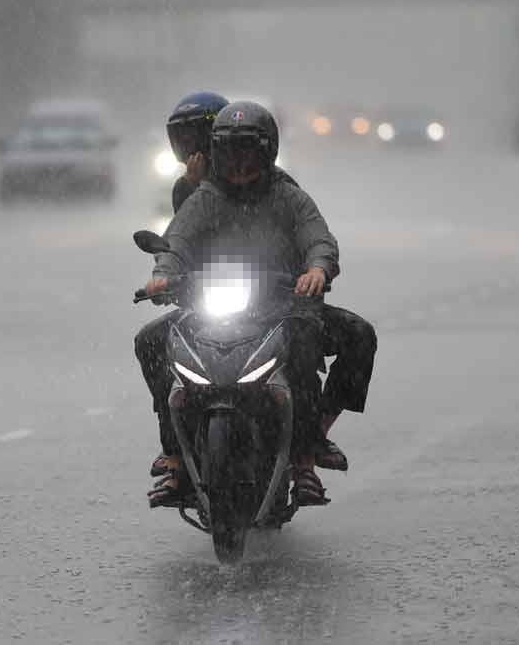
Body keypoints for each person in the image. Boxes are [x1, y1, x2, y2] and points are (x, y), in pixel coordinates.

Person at [136, 95, 377, 507]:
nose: (239, 162)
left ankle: (308, 449)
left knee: (353, 335)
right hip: (213, 306)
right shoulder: (204, 197)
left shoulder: (289, 197)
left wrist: (317, 269)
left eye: (248, 151)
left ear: (268, 152)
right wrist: (162, 275)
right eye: (229, 152)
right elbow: (177, 240)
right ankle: (175, 455)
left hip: (284, 306)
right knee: (150, 340)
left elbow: (318, 238)